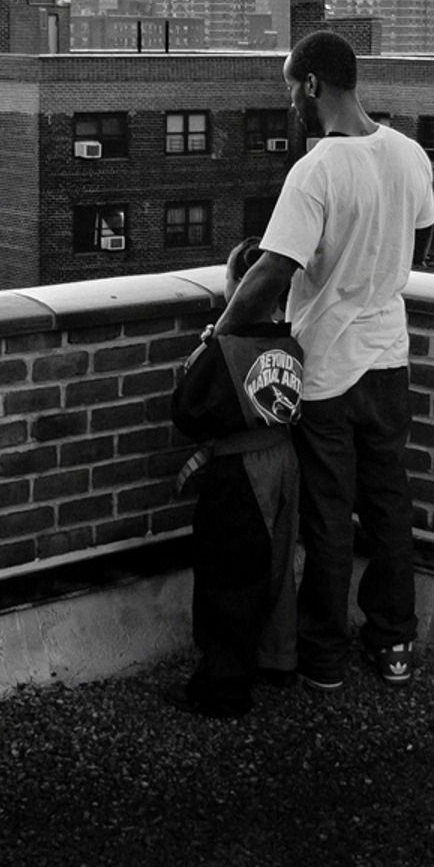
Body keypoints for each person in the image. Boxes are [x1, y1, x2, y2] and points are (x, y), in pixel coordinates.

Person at [210, 30, 434, 690]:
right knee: (390, 503)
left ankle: (325, 656)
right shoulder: (409, 154)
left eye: (290, 86)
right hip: (390, 357)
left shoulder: (316, 170)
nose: (290, 100)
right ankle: (395, 644)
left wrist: (218, 332)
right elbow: (415, 247)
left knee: (330, 513)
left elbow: (271, 271)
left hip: (329, 369)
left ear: (312, 83)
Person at [168, 237, 305, 717]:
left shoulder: (222, 349)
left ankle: (223, 687)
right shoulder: (291, 342)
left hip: (239, 472)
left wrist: (199, 355)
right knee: (276, 566)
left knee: (229, 573)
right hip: (284, 465)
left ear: (238, 289)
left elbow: (187, 411)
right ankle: (278, 659)